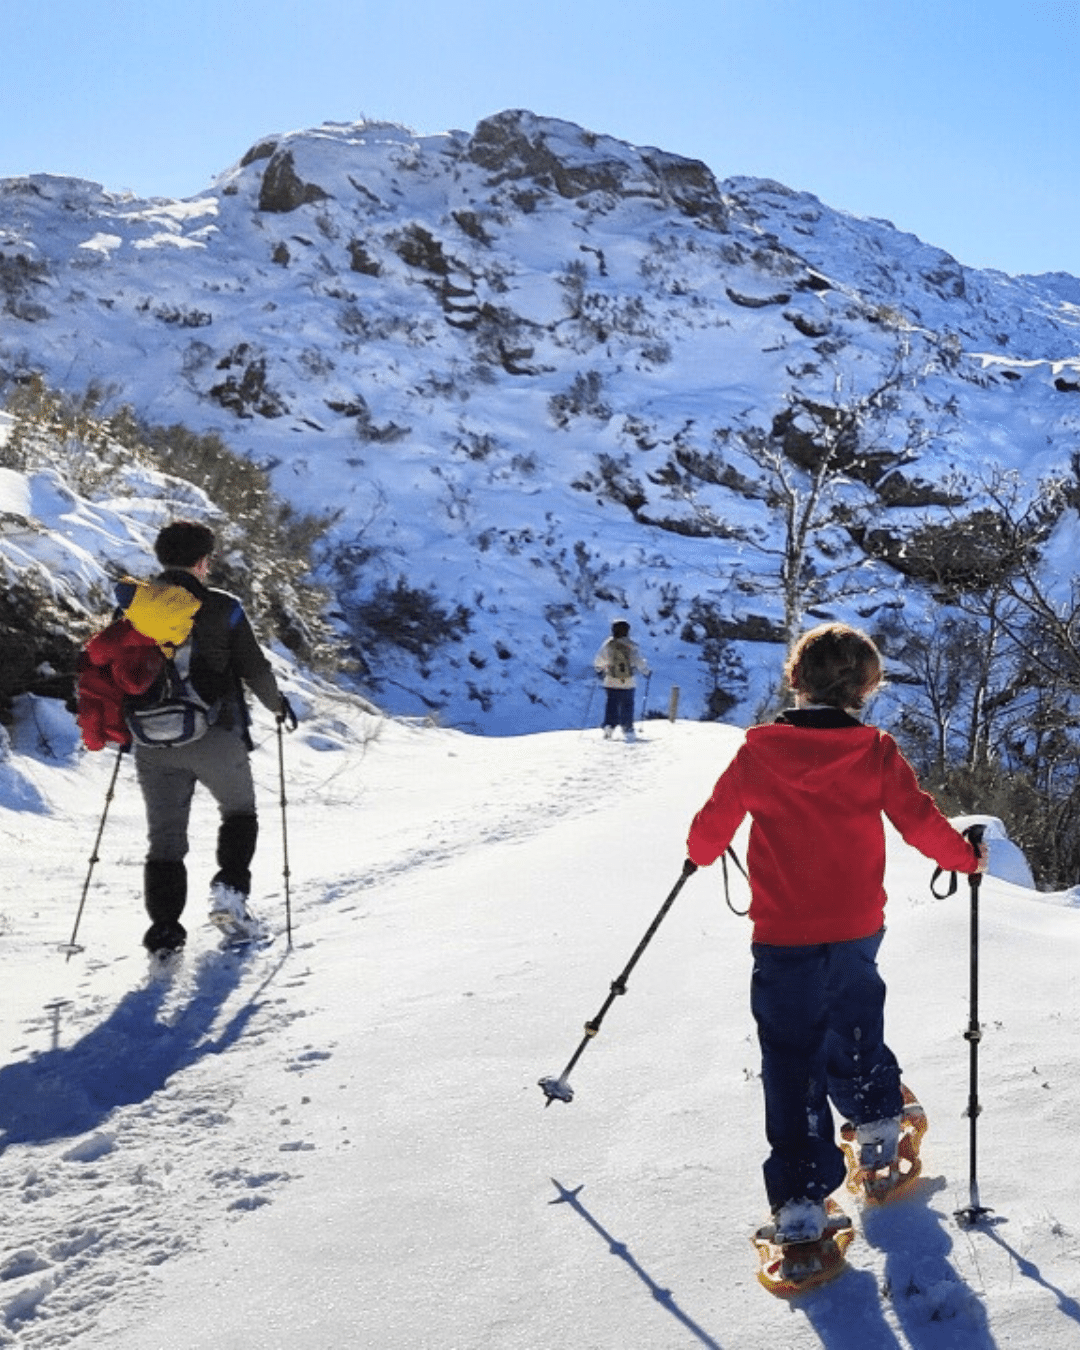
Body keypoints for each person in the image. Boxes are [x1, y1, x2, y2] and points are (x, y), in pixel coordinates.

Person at [685, 622, 986, 1243]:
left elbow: (710, 827)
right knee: (853, 1025)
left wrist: (700, 851)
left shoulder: (758, 753)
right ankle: (877, 1135)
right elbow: (918, 820)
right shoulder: (874, 752)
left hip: (781, 936)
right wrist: (964, 858)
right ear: (868, 688)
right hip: (854, 929)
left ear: (795, 679)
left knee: (791, 1058)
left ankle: (800, 1199)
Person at [129, 520, 291, 956]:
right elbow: (255, 669)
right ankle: (229, 892)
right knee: (239, 811)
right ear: (203, 561)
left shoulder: (136, 606)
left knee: (164, 841)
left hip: (151, 742)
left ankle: (165, 932)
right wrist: (278, 706)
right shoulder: (224, 607)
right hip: (215, 734)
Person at [593, 619, 650, 741]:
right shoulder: (631, 645)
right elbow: (639, 662)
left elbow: (599, 661)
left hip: (611, 680)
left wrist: (599, 669)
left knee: (611, 704)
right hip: (628, 681)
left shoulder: (608, 645)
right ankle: (627, 728)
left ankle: (609, 726)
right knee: (627, 705)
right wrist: (646, 671)